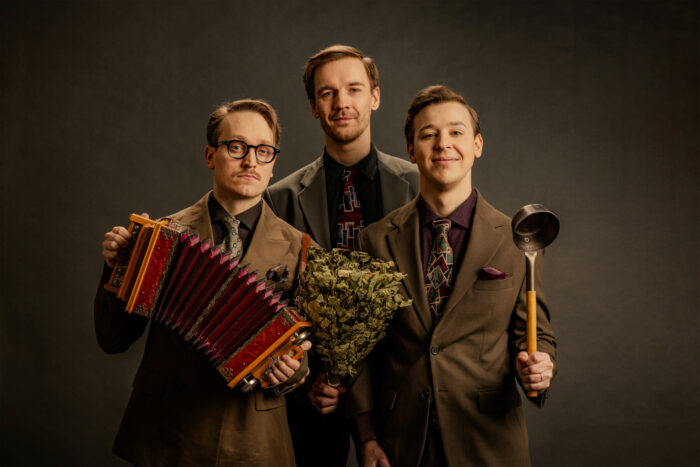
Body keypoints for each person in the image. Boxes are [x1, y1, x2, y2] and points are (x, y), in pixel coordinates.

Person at [347, 85, 558, 466]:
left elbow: (534, 333)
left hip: (489, 443)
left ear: (477, 145)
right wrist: (365, 436)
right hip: (400, 444)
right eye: (428, 134)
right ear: (411, 151)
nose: (443, 143)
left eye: (456, 132)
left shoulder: (518, 239)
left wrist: (541, 365)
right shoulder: (375, 240)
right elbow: (362, 350)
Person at [95, 99, 313, 466]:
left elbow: (307, 357)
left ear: (274, 164)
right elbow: (113, 339)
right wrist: (115, 269)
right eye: (237, 147)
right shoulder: (163, 235)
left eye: (263, 151)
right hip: (166, 434)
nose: (250, 161)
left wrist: (293, 370)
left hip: (254, 440)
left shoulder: (301, 248)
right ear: (211, 156)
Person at [263, 45, 420, 466]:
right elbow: (271, 299)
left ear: (375, 96)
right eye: (328, 93)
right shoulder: (280, 198)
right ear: (314, 106)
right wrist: (305, 377)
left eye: (353, 88)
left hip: (396, 390)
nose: (342, 102)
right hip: (315, 399)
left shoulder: (418, 185)